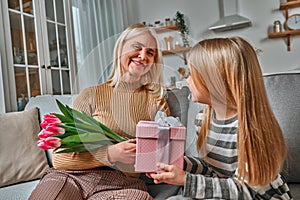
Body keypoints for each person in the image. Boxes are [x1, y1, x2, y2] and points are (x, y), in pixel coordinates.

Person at [30, 23, 170, 200]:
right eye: (137, 47)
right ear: (120, 48)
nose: (143, 56)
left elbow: (166, 152)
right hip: (72, 177)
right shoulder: (90, 95)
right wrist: (111, 154)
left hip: (122, 184)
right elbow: (59, 159)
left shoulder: (156, 101)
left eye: (150, 52)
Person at [149, 37, 293, 199]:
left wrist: (186, 180)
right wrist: (179, 163)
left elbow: (246, 191)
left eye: (191, 73)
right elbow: (213, 168)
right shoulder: (203, 119)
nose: (186, 80)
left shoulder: (251, 129)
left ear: (215, 81)